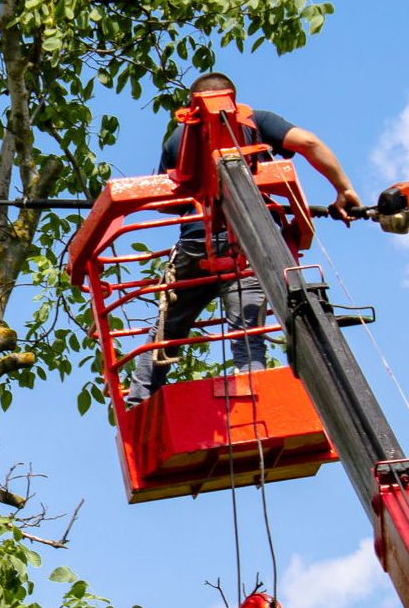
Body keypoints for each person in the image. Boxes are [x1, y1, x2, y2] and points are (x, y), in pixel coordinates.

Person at [125, 72, 362, 406]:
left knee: (167, 331)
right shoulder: (258, 121)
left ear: (191, 105)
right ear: (233, 98)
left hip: (196, 247)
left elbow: (167, 200)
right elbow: (308, 143)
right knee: (248, 335)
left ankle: (139, 403)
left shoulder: (179, 138)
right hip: (248, 245)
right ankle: (255, 405)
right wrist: (344, 188)